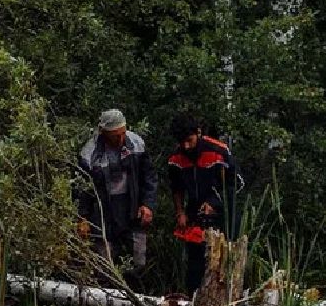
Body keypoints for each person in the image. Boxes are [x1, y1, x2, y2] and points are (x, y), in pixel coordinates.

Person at [76, 109, 157, 273]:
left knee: (138, 263)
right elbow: (81, 188)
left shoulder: (136, 144)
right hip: (103, 214)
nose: (120, 139)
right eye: (115, 136)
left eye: (122, 133)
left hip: (132, 209)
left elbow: (149, 177)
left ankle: (136, 293)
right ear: (103, 133)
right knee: (105, 266)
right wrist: (82, 217)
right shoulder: (89, 153)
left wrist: (148, 204)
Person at [165, 113, 237, 292]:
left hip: (224, 212)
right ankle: (193, 303)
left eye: (189, 140)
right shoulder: (176, 158)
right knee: (195, 265)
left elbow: (237, 184)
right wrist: (180, 212)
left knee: (223, 262)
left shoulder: (218, 151)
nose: (186, 146)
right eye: (182, 142)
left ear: (198, 133)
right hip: (194, 212)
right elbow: (176, 188)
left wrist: (214, 203)